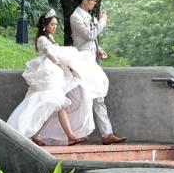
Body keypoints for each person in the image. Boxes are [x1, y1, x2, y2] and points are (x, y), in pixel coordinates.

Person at [7, 9, 108, 146]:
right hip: (47, 73)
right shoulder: (42, 39)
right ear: (45, 25)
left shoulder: (50, 38)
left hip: (54, 73)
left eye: (55, 25)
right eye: (52, 25)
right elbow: (51, 54)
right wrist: (62, 64)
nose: (55, 27)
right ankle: (56, 135)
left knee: (56, 104)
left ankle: (61, 135)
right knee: (45, 103)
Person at [70, 0, 127, 145]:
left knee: (98, 97)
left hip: (90, 61)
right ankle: (72, 133)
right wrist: (102, 22)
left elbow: (91, 39)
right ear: (85, 1)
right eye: (93, 0)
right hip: (82, 61)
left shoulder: (87, 16)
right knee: (80, 99)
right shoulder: (76, 17)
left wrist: (98, 49)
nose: (95, 3)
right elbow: (89, 34)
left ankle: (106, 133)